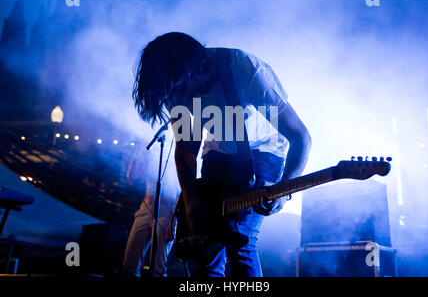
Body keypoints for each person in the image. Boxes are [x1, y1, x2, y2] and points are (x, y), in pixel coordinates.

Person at [132, 32, 311, 277]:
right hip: (219, 150)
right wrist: (191, 200)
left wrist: (285, 189)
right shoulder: (176, 87)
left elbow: (300, 136)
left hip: (263, 150)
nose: (178, 98)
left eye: (181, 90)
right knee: (206, 245)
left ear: (196, 68)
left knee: (240, 240)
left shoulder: (246, 70)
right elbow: (186, 150)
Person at [122, 144, 179, 277]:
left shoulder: (176, 155)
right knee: (129, 264)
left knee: (158, 268)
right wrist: (136, 154)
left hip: (167, 212)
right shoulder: (153, 154)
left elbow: (180, 195)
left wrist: (173, 222)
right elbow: (132, 177)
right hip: (146, 208)